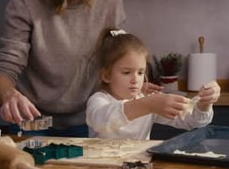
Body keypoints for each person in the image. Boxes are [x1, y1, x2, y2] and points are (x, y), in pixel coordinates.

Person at [0, 0, 160, 137]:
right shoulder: (25, 3)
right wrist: (9, 94)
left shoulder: (110, 3)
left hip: (87, 119)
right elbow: (5, 69)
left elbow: (117, 59)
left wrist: (131, 86)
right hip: (32, 119)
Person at [86, 28, 221, 140]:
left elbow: (192, 122)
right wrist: (147, 105)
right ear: (106, 75)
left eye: (140, 72)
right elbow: (101, 121)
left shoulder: (148, 101)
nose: (135, 79)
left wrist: (204, 104)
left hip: (139, 167)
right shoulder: (98, 100)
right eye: (126, 72)